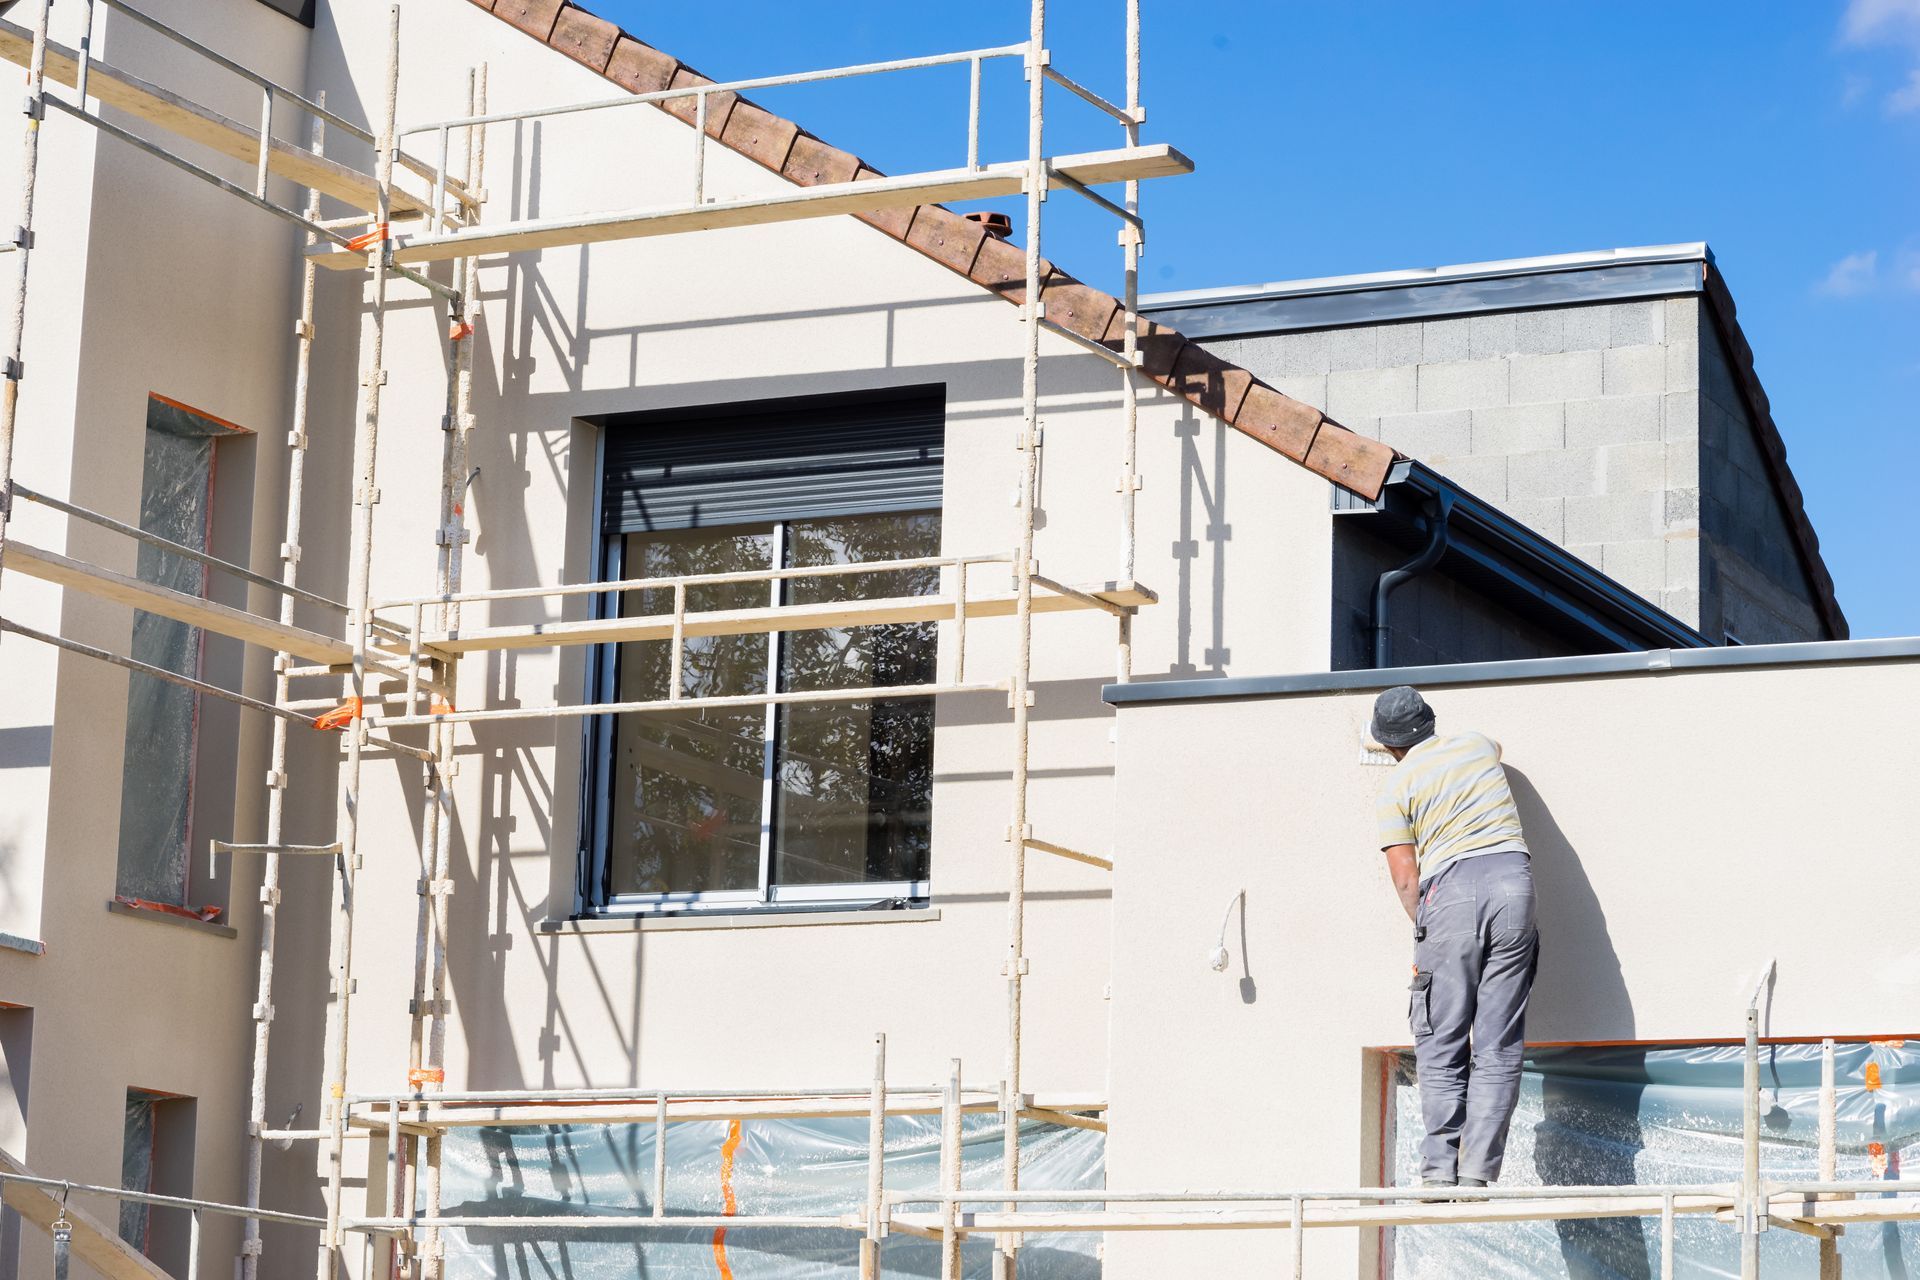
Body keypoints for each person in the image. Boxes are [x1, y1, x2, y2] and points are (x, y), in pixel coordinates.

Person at [1370, 685, 1539, 1190]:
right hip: (1516, 885)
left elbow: (1405, 878)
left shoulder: (1396, 787)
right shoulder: (1475, 745)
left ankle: (1440, 1174)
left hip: (1451, 893)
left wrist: (1426, 932)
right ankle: (1477, 1176)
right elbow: (1498, 747)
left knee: (1441, 1037)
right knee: (1498, 1041)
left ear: (1387, 745)